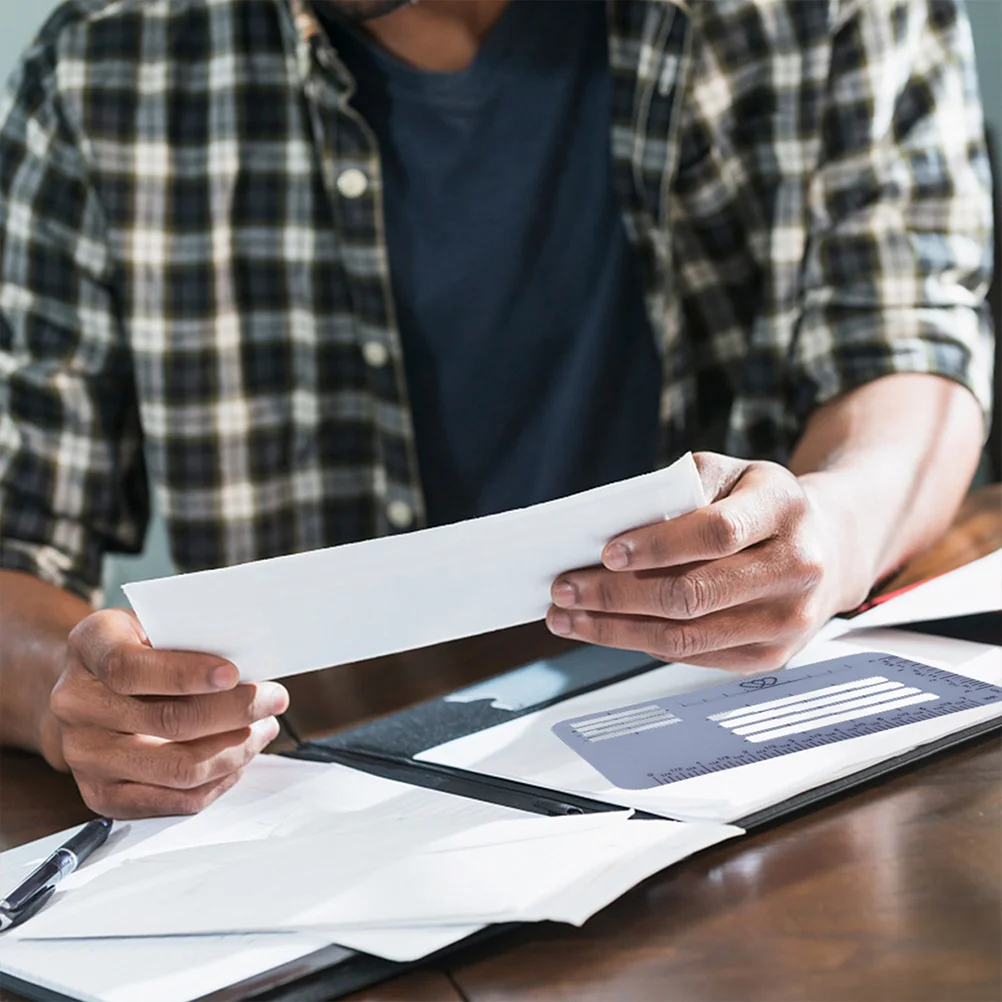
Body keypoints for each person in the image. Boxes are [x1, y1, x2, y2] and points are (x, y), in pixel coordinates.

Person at [0, 0, 993, 818]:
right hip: (333, 807)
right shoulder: (106, 61)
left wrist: (832, 531)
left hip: (754, 750)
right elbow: (17, 543)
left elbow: (905, 345)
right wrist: (79, 698)